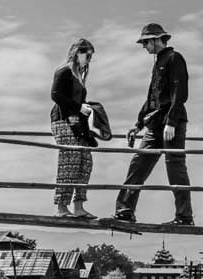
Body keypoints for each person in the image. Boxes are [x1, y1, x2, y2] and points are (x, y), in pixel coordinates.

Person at [114, 23, 193, 225]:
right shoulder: (157, 63)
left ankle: (184, 216)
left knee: (175, 166)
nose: (144, 46)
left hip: (171, 123)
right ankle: (124, 210)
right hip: (155, 123)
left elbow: (180, 93)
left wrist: (172, 122)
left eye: (146, 42)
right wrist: (138, 124)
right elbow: (152, 97)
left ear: (157, 39)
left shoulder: (174, 58)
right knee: (139, 163)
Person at [51, 38, 97, 219]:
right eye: (87, 55)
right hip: (63, 120)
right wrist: (79, 107)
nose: (89, 59)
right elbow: (55, 95)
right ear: (77, 53)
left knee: (85, 163)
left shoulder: (79, 76)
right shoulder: (64, 71)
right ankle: (62, 207)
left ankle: (79, 206)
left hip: (77, 123)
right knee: (69, 161)